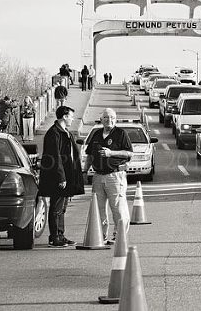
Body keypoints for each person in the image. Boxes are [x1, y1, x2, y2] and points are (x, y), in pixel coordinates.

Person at [83, 108, 133, 244]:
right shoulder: (97, 134)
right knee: (98, 209)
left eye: (111, 117)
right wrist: (84, 171)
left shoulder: (121, 133)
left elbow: (129, 154)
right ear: (101, 120)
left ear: (115, 119)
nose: (108, 120)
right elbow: (90, 155)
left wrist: (112, 153)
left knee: (117, 207)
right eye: (106, 117)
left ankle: (119, 235)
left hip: (115, 175)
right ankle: (101, 235)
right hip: (98, 176)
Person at [38, 105, 84, 247]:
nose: (72, 119)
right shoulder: (54, 133)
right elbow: (55, 157)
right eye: (70, 116)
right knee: (56, 207)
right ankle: (54, 237)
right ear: (64, 116)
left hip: (66, 175)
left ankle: (61, 235)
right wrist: (61, 177)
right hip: (57, 177)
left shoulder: (65, 132)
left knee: (62, 207)